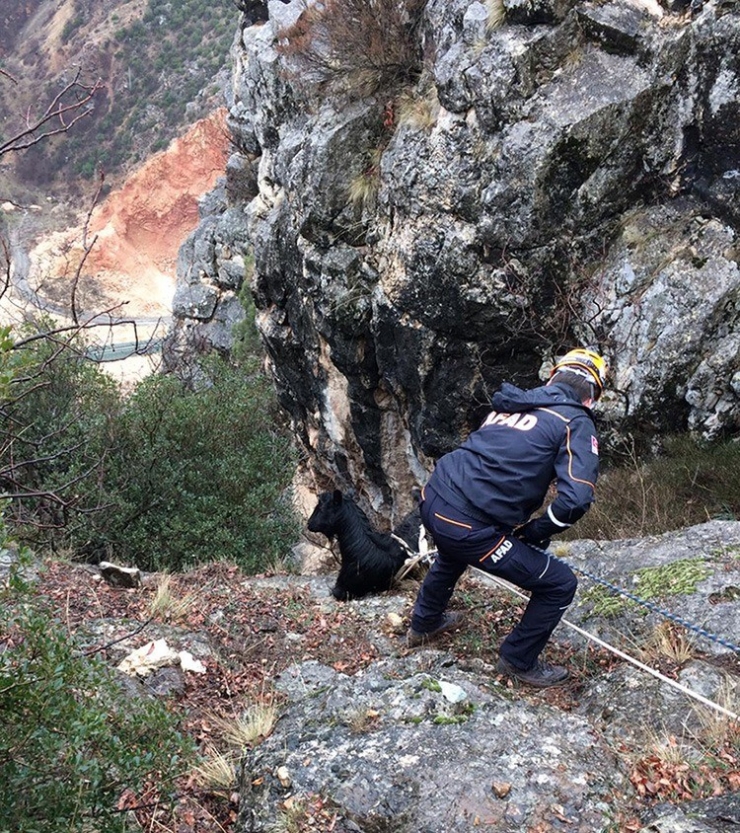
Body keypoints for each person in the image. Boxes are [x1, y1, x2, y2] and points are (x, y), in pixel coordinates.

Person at [406, 348, 607, 688]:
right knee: (559, 584)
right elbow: (576, 499)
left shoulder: (512, 405)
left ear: (552, 378)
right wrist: (537, 531)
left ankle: (424, 623)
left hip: (434, 496)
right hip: (468, 523)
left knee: (453, 551)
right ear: (591, 398)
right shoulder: (574, 422)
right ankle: (517, 659)